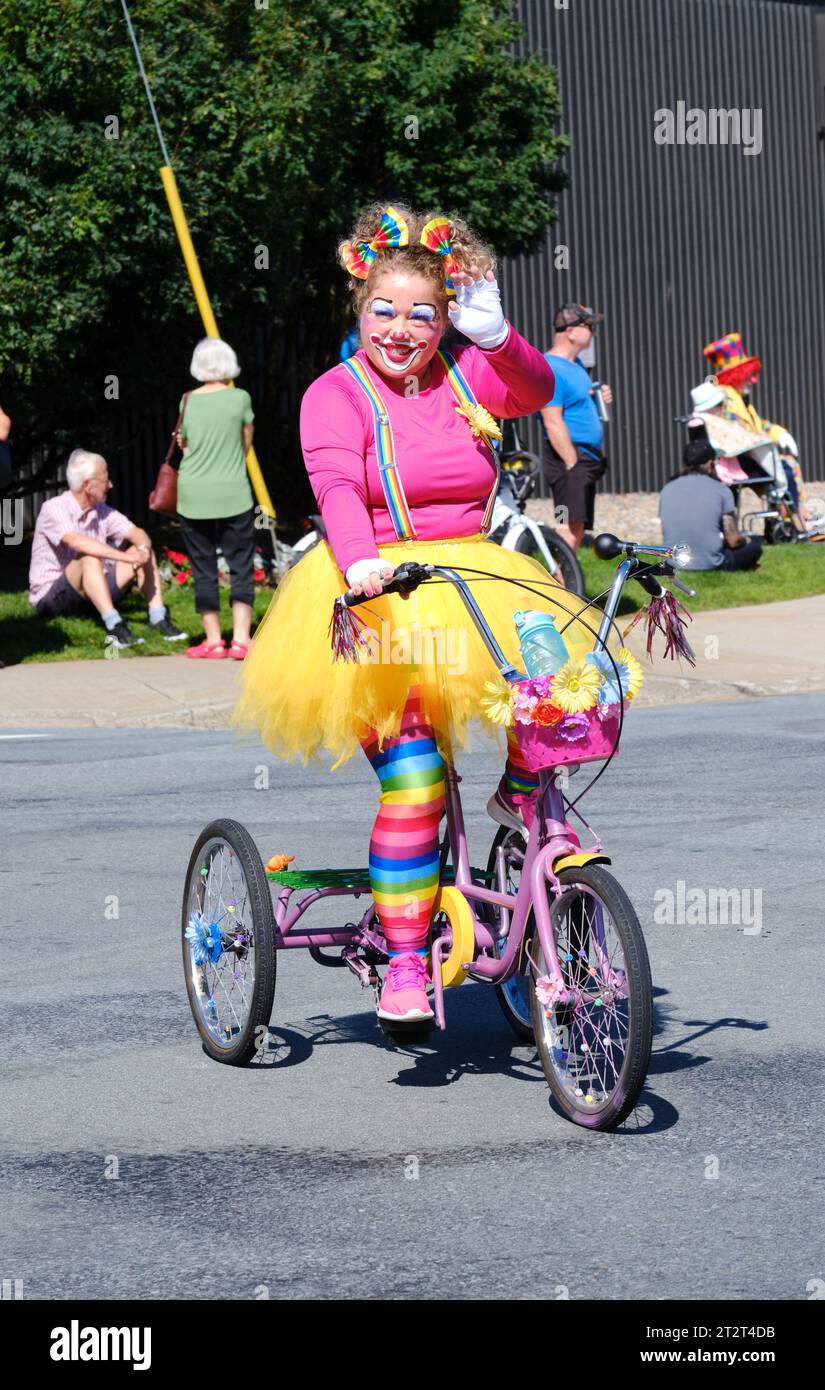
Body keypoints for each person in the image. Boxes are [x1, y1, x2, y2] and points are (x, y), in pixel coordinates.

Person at [233, 202, 602, 1028]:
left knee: (560, 696)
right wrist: (360, 562)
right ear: (360, 309)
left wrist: (498, 335)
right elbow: (333, 483)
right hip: (375, 587)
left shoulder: (466, 376)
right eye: (384, 311)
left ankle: (519, 796)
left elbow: (539, 389)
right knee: (416, 779)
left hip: (472, 575)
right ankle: (404, 962)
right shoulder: (337, 392)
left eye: (422, 315)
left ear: (444, 320)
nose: (401, 329)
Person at [27, 450, 187, 646]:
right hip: (52, 598)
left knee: (141, 550)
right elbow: (77, 542)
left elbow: (137, 532)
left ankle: (158, 618)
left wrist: (143, 549)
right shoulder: (54, 508)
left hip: (93, 590)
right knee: (89, 557)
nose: (110, 485)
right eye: (105, 480)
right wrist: (125, 558)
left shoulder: (101, 511)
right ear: (87, 485)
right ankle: (115, 626)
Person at [176, 337, 257, 660]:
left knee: (203, 567)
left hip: (193, 495)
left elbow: (184, 445)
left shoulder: (187, 400)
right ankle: (240, 639)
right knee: (241, 566)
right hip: (234, 493)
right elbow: (245, 444)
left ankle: (212, 640)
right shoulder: (240, 398)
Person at [703, 333, 805, 530]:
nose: (754, 380)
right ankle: (794, 522)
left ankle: (789, 519)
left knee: (789, 464)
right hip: (736, 461)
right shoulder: (725, 401)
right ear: (737, 375)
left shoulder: (738, 400)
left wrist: (779, 433)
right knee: (785, 469)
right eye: (750, 375)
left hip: (749, 457)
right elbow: (737, 435)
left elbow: (759, 425)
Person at [538, 304, 613, 552]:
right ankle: (554, 588)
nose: (593, 333)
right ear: (570, 331)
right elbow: (552, 420)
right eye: (589, 327)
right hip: (567, 460)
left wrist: (599, 395)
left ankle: (566, 587)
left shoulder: (577, 364)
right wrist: (572, 463)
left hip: (582, 459)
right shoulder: (549, 367)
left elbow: (575, 404)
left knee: (577, 528)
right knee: (565, 529)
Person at [659, 437, 762, 571]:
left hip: (673, 562)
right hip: (710, 563)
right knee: (754, 547)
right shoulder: (721, 490)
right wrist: (747, 540)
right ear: (710, 463)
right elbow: (733, 540)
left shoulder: (667, 489)